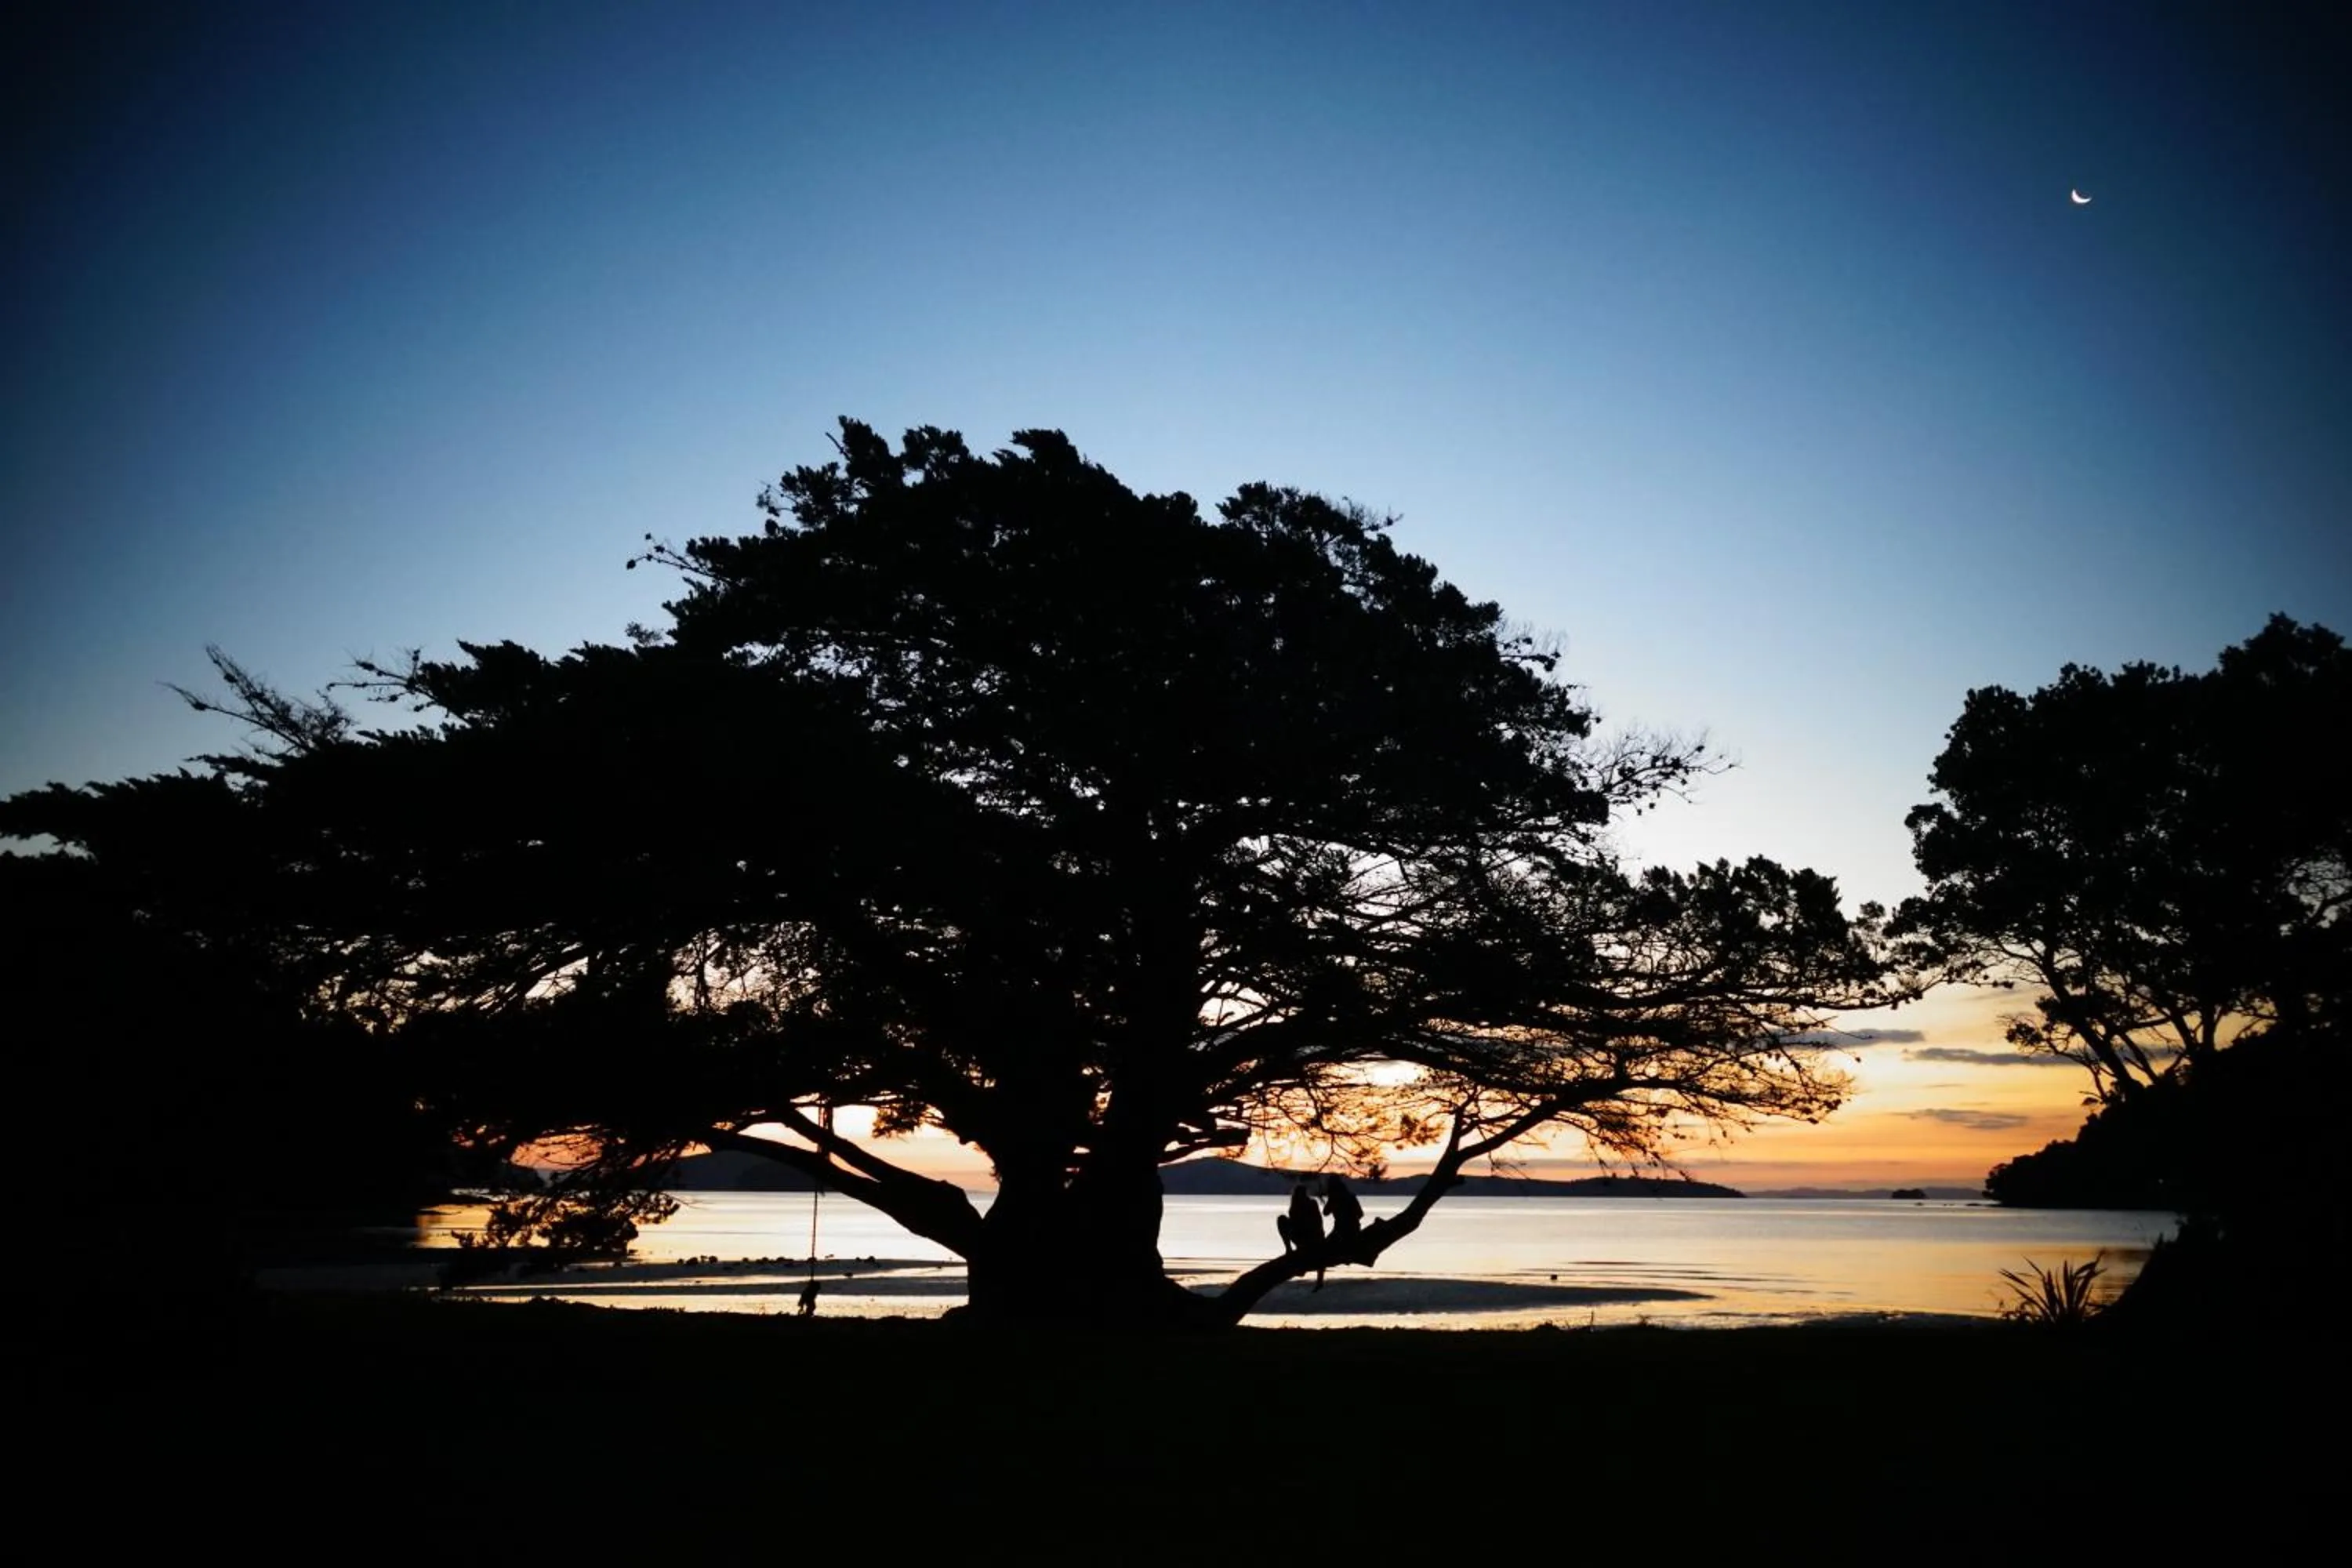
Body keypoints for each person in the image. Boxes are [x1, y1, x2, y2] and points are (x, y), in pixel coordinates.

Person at [1276, 1178, 1324, 1256]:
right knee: (1281, 1219)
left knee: (1283, 1220)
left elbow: (1318, 1223)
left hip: (1313, 1237)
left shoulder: (1312, 1204)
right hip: (1302, 1236)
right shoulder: (1294, 1208)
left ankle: (1297, 1248)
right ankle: (1289, 1249)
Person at [1322, 1172, 1363, 1242]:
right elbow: (1361, 1214)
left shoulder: (1334, 1198)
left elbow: (1325, 1213)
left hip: (1341, 1230)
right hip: (1354, 1228)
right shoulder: (1351, 1197)